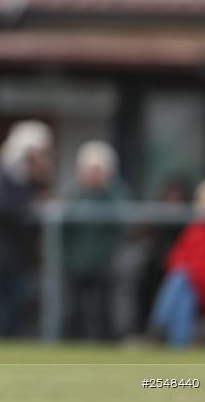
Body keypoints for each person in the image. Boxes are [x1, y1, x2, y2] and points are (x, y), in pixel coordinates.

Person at [0, 120, 53, 338]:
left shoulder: (33, 174)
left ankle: (11, 336)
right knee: (6, 297)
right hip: (3, 247)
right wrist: (30, 206)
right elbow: (2, 204)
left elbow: (44, 191)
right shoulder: (6, 172)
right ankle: (2, 337)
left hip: (21, 249)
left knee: (17, 297)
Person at [62, 141, 130, 341]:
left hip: (105, 263)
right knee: (73, 308)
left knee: (104, 308)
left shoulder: (116, 193)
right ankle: (70, 344)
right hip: (77, 262)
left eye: (97, 170)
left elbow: (122, 225)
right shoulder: (74, 193)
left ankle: (107, 344)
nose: (92, 175)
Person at [148, 176, 205, 347]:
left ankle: (157, 330)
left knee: (181, 283)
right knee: (180, 284)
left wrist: (196, 279)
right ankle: (175, 345)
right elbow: (175, 262)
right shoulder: (195, 231)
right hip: (195, 290)